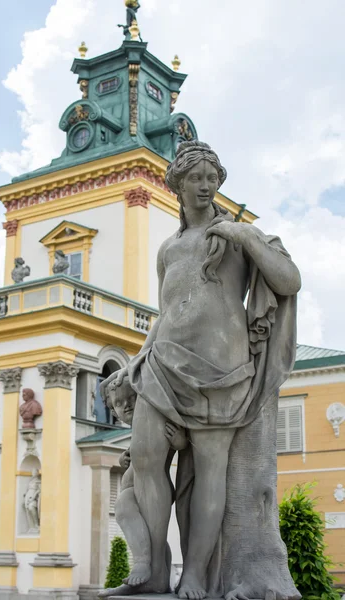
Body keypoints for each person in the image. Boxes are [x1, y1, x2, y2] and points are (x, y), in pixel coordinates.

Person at [101, 141, 301, 600]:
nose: (206, 185)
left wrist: (248, 237)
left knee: (211, 474)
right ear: (178, 184)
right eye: (196, 177)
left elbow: (289, 280)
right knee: (147, 460)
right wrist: (137, 358)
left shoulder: (237, 237)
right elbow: (166, 310)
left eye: (212, 177)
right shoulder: (169, 249)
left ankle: (194, 575)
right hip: (163, 363)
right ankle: (152, 570)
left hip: (222, 370)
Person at [100, 376, 187, 596]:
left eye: (132, 398)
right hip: (137, 486)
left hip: (154, 489)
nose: (127, 405)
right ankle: (159, 579)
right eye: (119, 403)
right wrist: (123, 460)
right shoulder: (136, 430)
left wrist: (179, 440)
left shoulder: (155, 420)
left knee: (122, 508)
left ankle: (142, 563)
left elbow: (180, 446)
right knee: (153, 538)